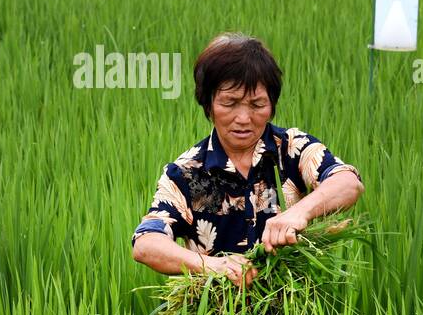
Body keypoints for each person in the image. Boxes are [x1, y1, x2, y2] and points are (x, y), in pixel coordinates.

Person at [131, 33, 364, 288]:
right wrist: (213, 266)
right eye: (229, 103)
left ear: (271, 105)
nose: (243, 118)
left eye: (256, 104)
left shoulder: (292, 149)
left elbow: (347, 182)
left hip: (295, 313)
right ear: (209, 104)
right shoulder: (185, 173)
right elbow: (146, 243)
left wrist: (298, 213)